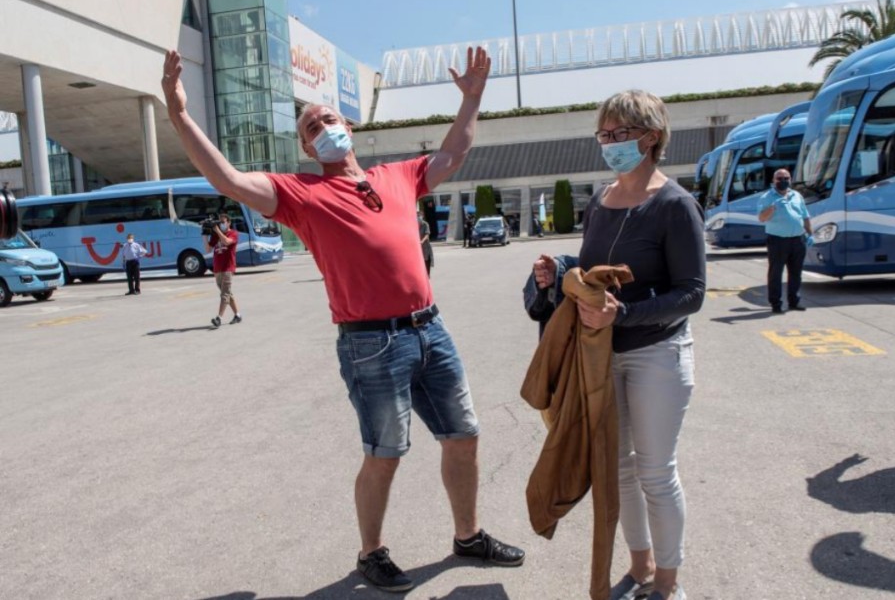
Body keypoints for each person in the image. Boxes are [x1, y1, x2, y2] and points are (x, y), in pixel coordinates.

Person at [162, 46, 523, 593]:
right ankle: (371, 553)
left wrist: (472, 99)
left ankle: (467, 536)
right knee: (385, 453)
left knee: (464, 436)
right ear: (306, 147)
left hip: (431, 329)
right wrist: (179, 112)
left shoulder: (397, 175)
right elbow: (229, 179)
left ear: (347, 126)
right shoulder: (299, 194)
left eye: (328, 118)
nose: (323, 126)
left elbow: (452, 154)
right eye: (312, 127)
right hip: (371, 344)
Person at [532, 89, 705, 600]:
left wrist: (624, 312)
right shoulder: (601, 201)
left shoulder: (675, 204)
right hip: (601, 354)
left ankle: (668, 583)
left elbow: (691, 293)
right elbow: (596, 268)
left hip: (658, 353)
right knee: (620, 470)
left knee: (655, 470)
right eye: (603, 135)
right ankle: (642, 565)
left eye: (620, 134)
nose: (609, 144)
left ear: (651, 138)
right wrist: (559, 271)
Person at [757, 168, 813, 314]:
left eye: (786, 178)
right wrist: (773, 207)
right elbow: (762, 218)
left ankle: (794, 301)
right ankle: (776, 303)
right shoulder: (767, 197)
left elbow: (805, 216)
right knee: (776, 273)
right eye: (780, 179)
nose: (783, 181)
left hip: (797, 239)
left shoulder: (796, 195)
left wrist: (810, 234)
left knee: (796, 272)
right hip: (778, 240)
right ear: (773, 181)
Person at [205, 213, 241, 327]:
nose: (221, 225)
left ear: (229, 222)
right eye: (219, 222)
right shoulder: (216, 235)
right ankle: (238, 315)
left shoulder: (234, 234)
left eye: (223, 222)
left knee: (224, 294)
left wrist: (216, 230)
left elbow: (226, 241)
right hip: (217, 268)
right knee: (227, 293)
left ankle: (218, 318)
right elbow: (207, 249)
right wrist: (204, 234)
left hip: (228, 268)